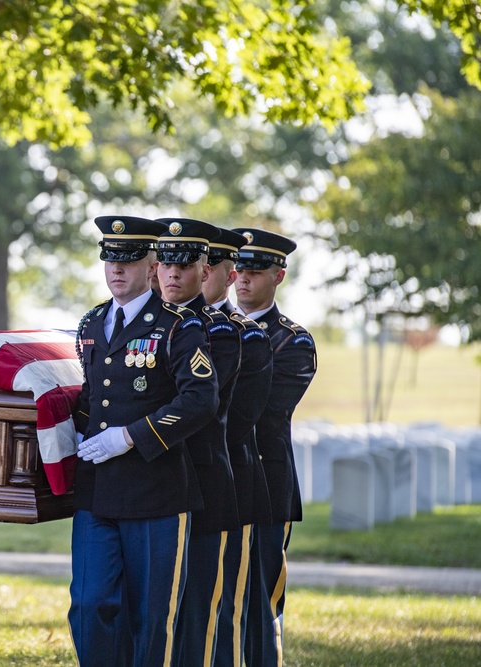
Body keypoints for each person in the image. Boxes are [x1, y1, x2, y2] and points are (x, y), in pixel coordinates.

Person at [70, 215, 218, 666]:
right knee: (90, 604)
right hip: (98, 492)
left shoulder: (178, 325)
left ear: (152, 265)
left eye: (129, 260)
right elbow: (91, 396)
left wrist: (133, 437)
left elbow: (201, 398)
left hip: (156, 492)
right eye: (110, 259)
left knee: (152, 617)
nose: (117, 269)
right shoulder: (92, 321)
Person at [153, 219, 241, 667]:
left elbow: (200, 405)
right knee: (152, 613)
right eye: (164, 262)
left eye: (183, 265)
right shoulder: (145, 324)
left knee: (197, 613)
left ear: (205, 272)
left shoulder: (222, 331)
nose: (171, 273)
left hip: (202, 482)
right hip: (151, 481)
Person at [232, 228, 317, 667]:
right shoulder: (206, 328)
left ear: (278, 275)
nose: (243, 278)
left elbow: (263, 411)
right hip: (216, 479)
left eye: (255, 270)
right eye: (238, 268)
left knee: (260, 602)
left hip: (264, 484)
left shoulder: (292, 341)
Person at [202, 228, 275, 667]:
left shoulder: (249, 336)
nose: (196, 274)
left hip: (230, 479)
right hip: (176, 480)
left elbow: (240, 421)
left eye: (208, 268)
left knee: (229, 601)